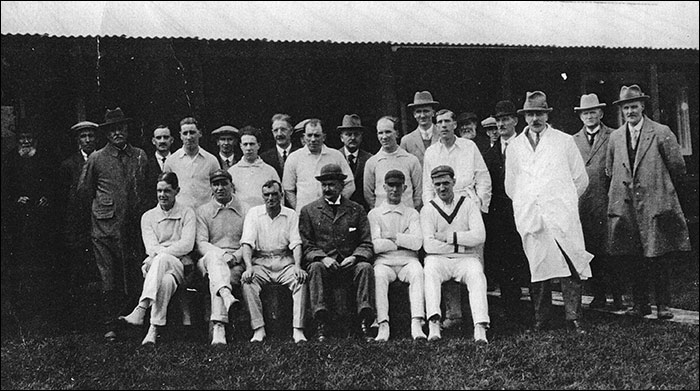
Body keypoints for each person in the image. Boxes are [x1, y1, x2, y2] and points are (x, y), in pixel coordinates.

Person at [505, 91, 592, 333]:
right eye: (531, 114)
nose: (535, 119)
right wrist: (527, 204)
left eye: (539, 113)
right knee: (539, 265)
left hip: (561, 214)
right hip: (532, 215)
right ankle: (541, 319)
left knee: (571, 263)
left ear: (547, 115)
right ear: (524, 117)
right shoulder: (514, 147)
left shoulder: (563, 141)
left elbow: (580, 179)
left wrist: (563, 202)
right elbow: (511, 185)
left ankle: (573, 317)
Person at [606, 84, 691, 320]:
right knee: (633, 256)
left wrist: (662, 192)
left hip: (654, 203)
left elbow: (677, 168)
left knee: (658, 256)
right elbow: (609, 170)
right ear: (622, 111)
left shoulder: (661, 132)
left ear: (642, 106)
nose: (630, 111)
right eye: (626, 108)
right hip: (627, 206)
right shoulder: (615, 137)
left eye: (634, 106)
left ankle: (663, 305)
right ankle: (640, 304)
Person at [78, 107, 149, 341]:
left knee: (133, 273)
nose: (117, 133)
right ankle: (110, 325)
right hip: (105, 229)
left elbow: (147, 190)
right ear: (106, 134)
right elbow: (84, 192)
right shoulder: (97, 158)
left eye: (121, 128)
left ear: (127, 130)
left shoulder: (139, 155)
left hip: (133, 227)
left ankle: (136, 322)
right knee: (108, 277)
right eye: (112, 130)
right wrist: (104, 211)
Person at [422, 108, 492, 329]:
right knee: (446, 260)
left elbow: (483, 177)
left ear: (454, 124)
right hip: (441, 209)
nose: (443, 125)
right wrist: (432, 211)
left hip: (467, 207)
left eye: (447, 121)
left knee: (473, 264)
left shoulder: (469, 147)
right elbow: (427, 186)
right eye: (439, 122)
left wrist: (480, 205)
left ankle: (478, 316)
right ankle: (454, 314)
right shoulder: (431, 152)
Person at [299, 163, 374, 341]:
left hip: (349, 264)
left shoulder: (356, 209)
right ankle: (321, 323)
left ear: (341, 186)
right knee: (315, 267)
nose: (327, 189)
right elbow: (307, 245)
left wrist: (355, 257)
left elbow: (366, 243)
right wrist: (323, 258)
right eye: (324, 185)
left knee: (365, 267)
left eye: (332, 184)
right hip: (325, 264)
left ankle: (365, 321)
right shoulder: (309, 211)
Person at [119, 172, 196, 345]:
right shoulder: (148, 217)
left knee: (161, 259)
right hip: (160, 269)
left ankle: (142, 307)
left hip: (180, 265)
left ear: (177, 191)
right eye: (159, 191)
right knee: (166, 281)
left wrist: (159, 255)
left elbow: (187, 245)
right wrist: (160, 254)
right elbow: (150, 247)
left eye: (167, 191)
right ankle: (153, 329)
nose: (162, 195)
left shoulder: (187, 213)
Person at [421, 165, 489, 343]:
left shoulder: (468, 204)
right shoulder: (428, 209)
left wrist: (447, 237)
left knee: (476, 273)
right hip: (439, 259)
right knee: (429, 271)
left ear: (454, 182)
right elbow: (428, 245)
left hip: (466, 259)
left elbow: (479, 236)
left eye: (445, 183)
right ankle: (434, 324)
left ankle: (480, 327)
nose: (442, 188)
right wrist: (461, 245)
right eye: (437, 184)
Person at [572, 93, 624, 311]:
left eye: (593, 111)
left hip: (606, 201)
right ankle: (598, 295)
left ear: (601, 113)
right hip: (583, 204)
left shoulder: (612, 136)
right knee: (590, 250)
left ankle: (618, 296)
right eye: (585, 113)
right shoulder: (573, 140)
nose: (589, 116)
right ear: (580, 116)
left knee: (611, 252)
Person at [240, 180, 308, 343]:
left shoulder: (290, 214)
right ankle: (259, 329)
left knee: (300, 279)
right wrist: (249, 267)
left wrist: (298, 266)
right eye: (267, 195)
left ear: (282, 195)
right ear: (262, 197)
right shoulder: (254, 213)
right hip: (261, 262)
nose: (270, 198)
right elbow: (247, 243)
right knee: (248, 281)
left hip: (284, 261)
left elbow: (296, 243)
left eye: (274, 194)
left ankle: (298, 329)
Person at [482, 100, 531, 321]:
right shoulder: (490, 154)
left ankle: (536, 312)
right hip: (500, 217)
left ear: (515, 121)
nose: (501, 124)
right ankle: (512, 312)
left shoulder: (525, 147)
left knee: (528, 260)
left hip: (524, 211)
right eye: (498, 120)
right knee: (505, 263)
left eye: (505, 119)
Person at [3, 122, 57, 305]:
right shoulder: (9, 159)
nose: (26, 142)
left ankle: (44, 298)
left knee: (44, 257)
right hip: (19, 218)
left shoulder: (45, 157)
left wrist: (46, 197)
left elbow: (54, 182)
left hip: (42, 216)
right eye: (22, 138)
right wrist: (15, 200)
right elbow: (5, 187)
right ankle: (23, 300)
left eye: (29, 138)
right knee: (20, 258)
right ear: (17, 140)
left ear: (35, 139)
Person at [369, 170, 426, 341]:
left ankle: (417, 323)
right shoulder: (375, 214)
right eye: (391, 186)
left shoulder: (412, 213)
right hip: (384, 262)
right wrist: (403, 238)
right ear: (384, 187)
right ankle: (383, 324)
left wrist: (392, 236)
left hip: (408, 260)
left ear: (405, 187)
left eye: (398, 186)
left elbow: (417, 243)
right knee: (378, 275)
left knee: (417, 271)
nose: (394, 190)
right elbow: (375, 245)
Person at [195, 169, 248, 345]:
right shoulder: (203, 211)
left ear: (231, 185)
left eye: (224, 183)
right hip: (209, 260)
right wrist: (221, 255)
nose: (220, 188)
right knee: (214, 261)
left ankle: (219, 328)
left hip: (235, 262)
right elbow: (201, 243)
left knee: (218, 280)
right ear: (211, 187)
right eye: (215, 184)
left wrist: (235, 256)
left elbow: (249, 240)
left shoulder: (245, 209)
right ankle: (226, 297)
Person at [60, 121, 99, 297]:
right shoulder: (69, 165)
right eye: (83, 136)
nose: (88, 140)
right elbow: (64, 199)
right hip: (77, 221)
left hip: (99, 216)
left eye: (91, 135)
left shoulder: (103, 160)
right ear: (78, 140)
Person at [282, 119, 355, 212]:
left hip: (332, 213)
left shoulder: (336, 156)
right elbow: (288, 189)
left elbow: (350, 184)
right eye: (309, 135)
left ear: (324, 137)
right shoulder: (294, 158)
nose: (313, 139)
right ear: (304, 137)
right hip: (305, 215)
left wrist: (336, 203)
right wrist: (300, 209)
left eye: (317, 135)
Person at [364, 116, 422, 210]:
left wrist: (410, 211)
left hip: (406, 215)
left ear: (397, 133)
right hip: (382, 216)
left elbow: (419, 192)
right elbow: (368, 194)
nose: (384, 137)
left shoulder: (411, 160)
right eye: (380, 133)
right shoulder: (372, 162)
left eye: (388, 132)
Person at [163, 117, 221, 209]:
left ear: (200, 133)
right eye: (185, 133)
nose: (189, 137)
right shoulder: (171, 161)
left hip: (205, 215)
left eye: (192, 132)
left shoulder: (211, 160)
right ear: (180, 136)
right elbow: (166, 190)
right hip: (181, 215)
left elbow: (218, 188)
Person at [228, 126, 280, 207]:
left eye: (252, 144)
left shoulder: (269, 171)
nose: (248, 148)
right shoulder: (232, 171)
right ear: (241, 146)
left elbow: (279, 198)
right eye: (245, 144)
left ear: (258, 145)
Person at [337, 114, 372, 210]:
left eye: (356, 134)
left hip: (363, 209)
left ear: (361, 137)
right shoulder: (335, 157)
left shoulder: (369, 159)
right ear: (341, 137)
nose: (352, 138)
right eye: (348, 134)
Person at [400, 91, 440, 165]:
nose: (422, 115)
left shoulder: (442, 135)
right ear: (414, 115)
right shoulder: (407, 141)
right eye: (418, 112)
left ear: (433, 113)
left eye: (426, 111)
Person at [260, 113, 299, 180]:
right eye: (276, 130)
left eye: (283, 129)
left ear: (291, 131)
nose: (279, 134)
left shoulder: (300, 154)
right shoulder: (264, 158)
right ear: (272, 132)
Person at [145, 125, 174, 208]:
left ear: (171, 140)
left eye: (166, 137)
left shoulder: (178, 161)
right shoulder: (146, 163)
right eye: (158, 138)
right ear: (153, 141)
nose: (162, 141)